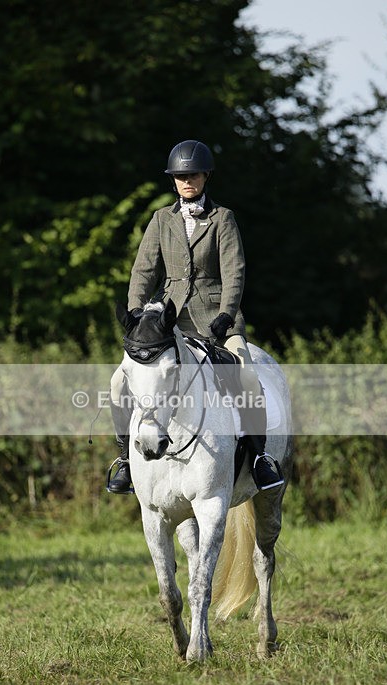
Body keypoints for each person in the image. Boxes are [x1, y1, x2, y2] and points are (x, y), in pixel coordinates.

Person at [108, 139, 284, 494]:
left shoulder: (223, 219)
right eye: (180, 175)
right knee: (118, 382)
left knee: (247, 376)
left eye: (194, 174)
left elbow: (235, 272)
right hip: (167, 322)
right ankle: (127, 459)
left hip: (218, 317)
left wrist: (226, 314)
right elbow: (143, 272)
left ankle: (259, 457)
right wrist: (137, 313)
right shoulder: (161, 220)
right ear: (173, 180)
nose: (187, 180)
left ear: (206, 176)